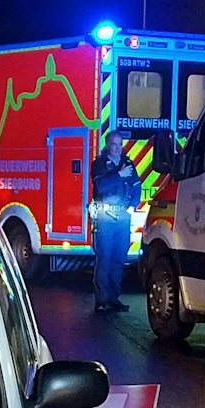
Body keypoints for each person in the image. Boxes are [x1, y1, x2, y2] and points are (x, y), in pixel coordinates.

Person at [88, 130, 141, 313]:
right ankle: (101, 300)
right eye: (113, 144)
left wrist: (132, 205)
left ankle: (114, 298)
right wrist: (119, 174)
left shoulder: (128, 164)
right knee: (105, 258)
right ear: (107, 145)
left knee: (119, 259)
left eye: (120, 144)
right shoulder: (99, 164)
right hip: (106, 218)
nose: (117, 148)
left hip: (123, 218)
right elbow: (101, 186)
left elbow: (136, 186)